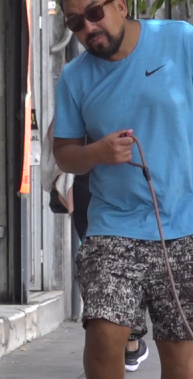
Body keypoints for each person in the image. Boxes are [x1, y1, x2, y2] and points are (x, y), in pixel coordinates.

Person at [52, 0, 193, 379]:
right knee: (102, 333)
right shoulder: (75, 78)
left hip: (182, 225)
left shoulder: (180, 39)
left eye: (94, 12)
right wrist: (96, 152)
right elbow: (64, 154)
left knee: (179, 350)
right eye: (75, 22)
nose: (88, 27)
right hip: (113, 225)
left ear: (120, 5)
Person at [41, 121, 149, 372]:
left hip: (122, 184)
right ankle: (129, 338)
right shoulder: (84, 84)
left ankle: (130, 338)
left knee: (124, 265)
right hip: (96, 185)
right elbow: (57, 133)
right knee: (114, 267)